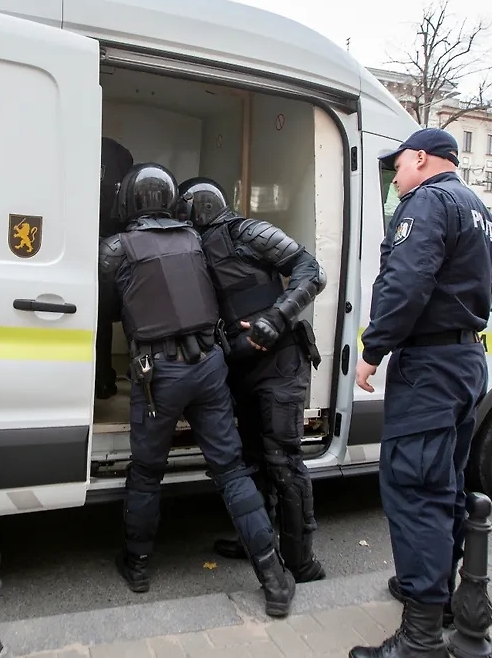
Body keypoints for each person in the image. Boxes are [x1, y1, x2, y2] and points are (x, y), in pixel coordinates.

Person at [100, 163, 296, 618]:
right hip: (209, 365)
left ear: (127, 200)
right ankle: (273, 577)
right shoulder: (194, 239)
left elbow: (105, 307)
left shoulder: (116, 247)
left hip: (157, 373)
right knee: (231, 471)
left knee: (147, 472)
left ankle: (138, 564)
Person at [351, 128, 492, 658]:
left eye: (398, 168)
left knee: (416, 491)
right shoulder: (482, 210)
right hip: (466, 361)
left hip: (431, 367)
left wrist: (373, 350)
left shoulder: (428, 202)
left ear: (421, 158)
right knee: (447, 486)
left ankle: (420, 638)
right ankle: (438, 596)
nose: (395, 179)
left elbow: (406, 283)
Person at [174, 177, 328, 584]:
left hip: (280, 361)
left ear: (197, 205)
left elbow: (311, 270)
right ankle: (259, 543)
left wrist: (276, 316)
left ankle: (301, 561)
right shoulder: (192, 246)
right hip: (240, 365)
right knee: (253, 458)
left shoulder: (246, 232)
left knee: (283, 460)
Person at [95, 137, 135, 399]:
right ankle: (107, 381)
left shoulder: (85, 149)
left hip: (89, 249)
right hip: (120, 252)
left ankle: (100, 380)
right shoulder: (121, 157)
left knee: (98, 320)